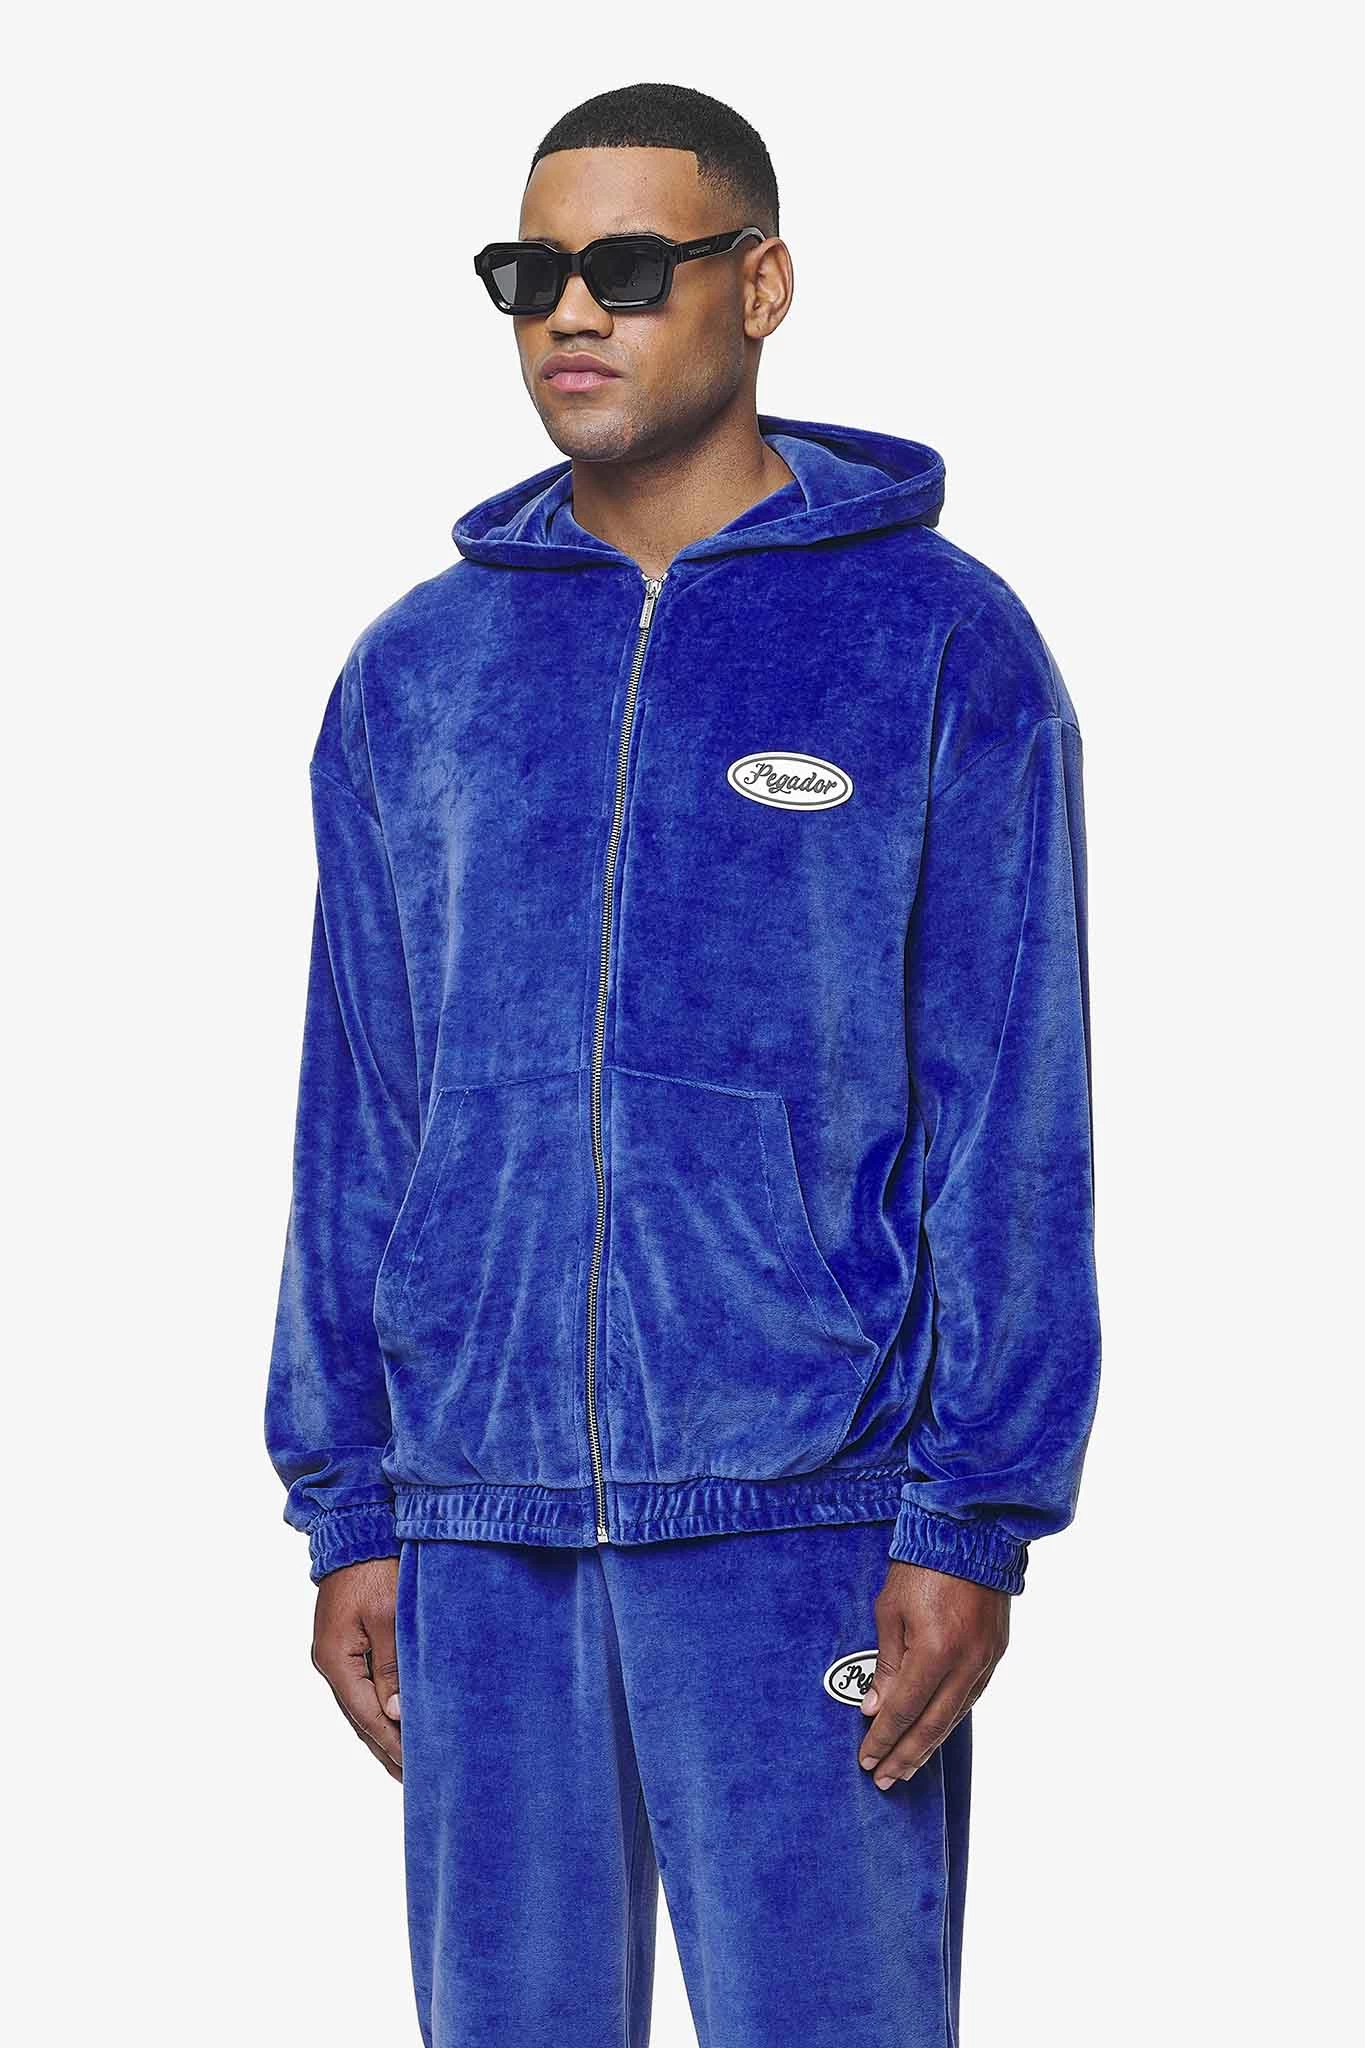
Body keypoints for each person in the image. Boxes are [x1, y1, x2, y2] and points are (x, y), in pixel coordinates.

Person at [265, 79, 1102, 2048]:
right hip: (476, 1521)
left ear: (761, 284)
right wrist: (352, 1503)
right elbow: (357, 1109)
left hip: (810, 1510)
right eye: (531, 272)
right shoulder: (417, 675)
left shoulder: (937, 645)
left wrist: (971, 1515)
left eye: (630, 268)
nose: (571, 310)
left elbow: (1014, 1112)